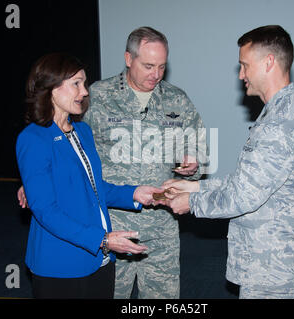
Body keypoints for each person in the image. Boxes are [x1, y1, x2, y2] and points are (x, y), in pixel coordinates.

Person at [160, 25, 294, 299]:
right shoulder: (288, 110)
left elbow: (242, 197)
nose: (241, 75)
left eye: (245, 66)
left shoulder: (278, 125)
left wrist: (190, 203)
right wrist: (194, 188)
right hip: (287, 260)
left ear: (269, 62)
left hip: (275, 270)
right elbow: (248, 182)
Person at [16, 52, 162, 299]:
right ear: (51, 88)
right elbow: (45, 211)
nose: (84, 92)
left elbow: (94, 188)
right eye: (76, 84)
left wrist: (134, 193)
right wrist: (102, 240)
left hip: (100, 259)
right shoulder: (33, 139)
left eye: (84, 83)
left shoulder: (82, 131)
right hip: (61, 265)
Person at [83, 26, 206, 299]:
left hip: (162, 228)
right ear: (129, 59)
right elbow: (71, 149)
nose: (156, 75)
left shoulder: (177, 99)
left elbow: (198, 144)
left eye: (162, 66)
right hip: (113, 227)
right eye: (149, 66)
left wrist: (194, 163)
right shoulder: (98, 97)